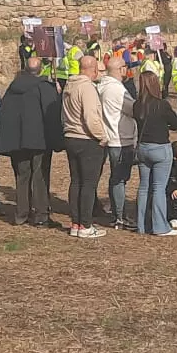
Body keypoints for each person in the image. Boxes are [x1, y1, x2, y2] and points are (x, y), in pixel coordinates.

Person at [0, 57, 56, 225]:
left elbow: (3, 114)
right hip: (39, 140)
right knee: (39, 176)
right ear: (40, 70)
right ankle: (41, 215)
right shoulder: (43, 87)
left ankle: (22, 214)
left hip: (18, 140)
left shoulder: (12, 89)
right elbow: (51, 114)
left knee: (22, 176)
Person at [57, 56, 108, 237]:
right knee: (88, 183)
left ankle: (76, 223)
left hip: (71, 136)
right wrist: (102, 136)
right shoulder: (86, 88)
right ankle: (85, 225)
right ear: (92, 69)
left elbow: (63, 113)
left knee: (76, 181)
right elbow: (91, 117)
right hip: (86, 139)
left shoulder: (69, 86)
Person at [134, 69, 177, 237]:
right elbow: (176, 124)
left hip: (143, 148)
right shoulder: (162, 105)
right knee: (159, 188)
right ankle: (160, 226)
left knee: (143, 187)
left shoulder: (137, 105)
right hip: (160, 148)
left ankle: (141, 225)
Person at [97, 56, 138, 229]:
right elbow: (133, 109)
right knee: (119, 178)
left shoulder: (102, 86)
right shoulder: (116, 89)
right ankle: (119, 216)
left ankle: (117, 212)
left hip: (111, 135)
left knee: (116, 178)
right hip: (120, 138)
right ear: (120, 69)